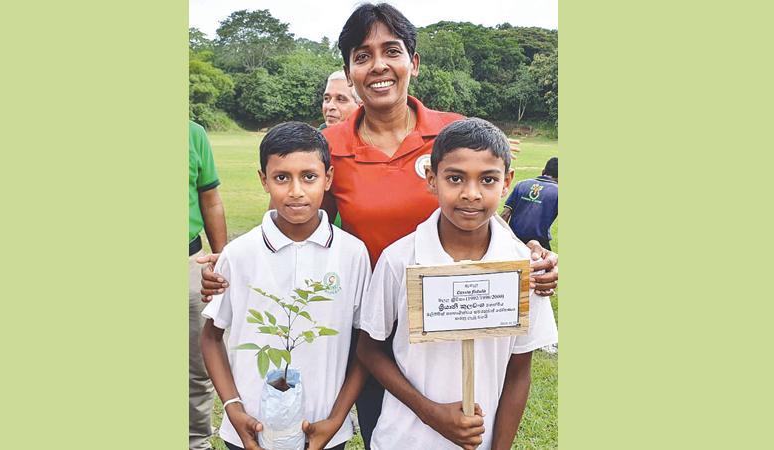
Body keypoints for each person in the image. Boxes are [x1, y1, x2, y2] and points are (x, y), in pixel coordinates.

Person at [199, 3, 560, 447]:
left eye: (392, 50)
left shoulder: (455, 134)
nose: (378, 66)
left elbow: (482, 203)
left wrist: (530, 253)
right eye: (362, 55)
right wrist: (235, 267)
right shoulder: (327, 147)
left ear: (414, 62)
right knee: (385, 433)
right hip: (374, 326)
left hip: (458, 313)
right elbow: (304, 222)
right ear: (349, 71)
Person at [357, 118, 558, 450]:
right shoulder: (399, 260)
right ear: (431, 180)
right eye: (455, 178)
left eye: (488, 180)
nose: (471, 194)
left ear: (507, 182)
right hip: (403, 440)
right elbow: (369, 349)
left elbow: (519, 371)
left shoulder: (523, 267)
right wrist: (430, 413)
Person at [200, 122, 370, 450]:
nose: (296, 191)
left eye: (309, 176)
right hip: (251, 430)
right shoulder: (239, 254)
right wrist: (234, 409)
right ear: (263, 180)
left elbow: (366, 344)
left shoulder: (353, 254)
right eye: (281, 178)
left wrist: (336, 420)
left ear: (328, 178)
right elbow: (211, 337)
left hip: (323, 430)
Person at [189, 120, 228, 450]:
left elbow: (210, 199)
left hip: (188, 260)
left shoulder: (192, 133)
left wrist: (219, 256)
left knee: (197, 367)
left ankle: (197, 442)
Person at [500, 157, 558, 250]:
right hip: (539, 245)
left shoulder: (521, 184)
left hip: (514, 240)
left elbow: (505, 214)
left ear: (543, 171)